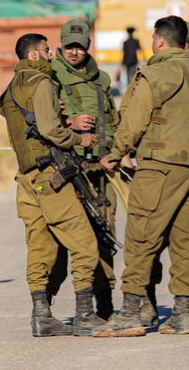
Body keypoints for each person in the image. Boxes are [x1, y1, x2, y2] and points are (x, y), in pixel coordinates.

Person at [97, 16, 189, 336]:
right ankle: (182, 314)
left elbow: (133, 121)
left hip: (159, 168)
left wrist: (115, 154)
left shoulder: (154, 74)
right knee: (185, 242)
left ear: (158, 41)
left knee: (142, 239)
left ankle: (130, 312)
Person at [0, 33, 108, 337]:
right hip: (49, 176)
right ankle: (85, 314)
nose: (50, 55)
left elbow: (14, 117)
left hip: (26, 178)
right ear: (33, 55)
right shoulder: (41, 83)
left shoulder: (11, 89)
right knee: (84, 243)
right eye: (46, 50)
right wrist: (77, 138)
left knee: (40, 246)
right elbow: (48, 129)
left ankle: (41, 315)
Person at [45, 19, 118, 319]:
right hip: (68, 168)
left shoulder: (100, 78)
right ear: (61, 45)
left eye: (79, 45)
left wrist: (113, 151)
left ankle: (104, 305)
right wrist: (69, 124)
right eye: (69, 45)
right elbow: (41, 120)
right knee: (60, 243)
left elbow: (113, 118)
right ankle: (45, 307)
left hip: (99, 167)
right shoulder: (50, 77)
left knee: (105, 235)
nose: (74, 51)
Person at [119, 26, 141, 91]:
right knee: (134, 74)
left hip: (127, 61)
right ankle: (134, 87)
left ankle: (129, 88)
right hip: (134, 60)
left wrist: (122, 62)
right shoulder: (136, 41)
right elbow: (140, 49)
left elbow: (124, 52)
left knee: (128, 75)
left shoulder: (125, 42)